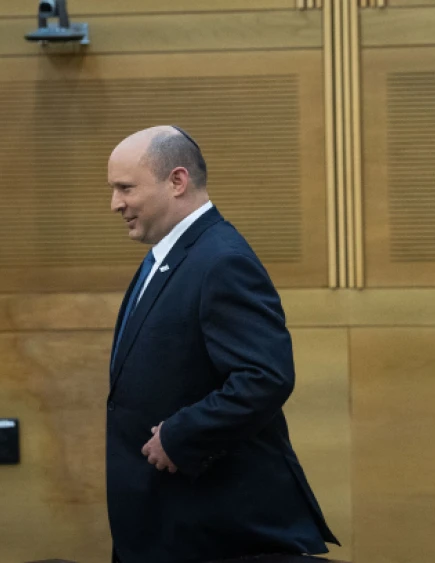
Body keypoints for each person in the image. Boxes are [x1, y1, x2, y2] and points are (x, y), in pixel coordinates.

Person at [104, 125, 338, 562]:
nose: (116, 204)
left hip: (216, 531)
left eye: (125, 188)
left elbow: (263, 377)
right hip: (166, 526)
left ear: (177, 181)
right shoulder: (169, 257)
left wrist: (180, 434)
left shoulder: (222, 259)